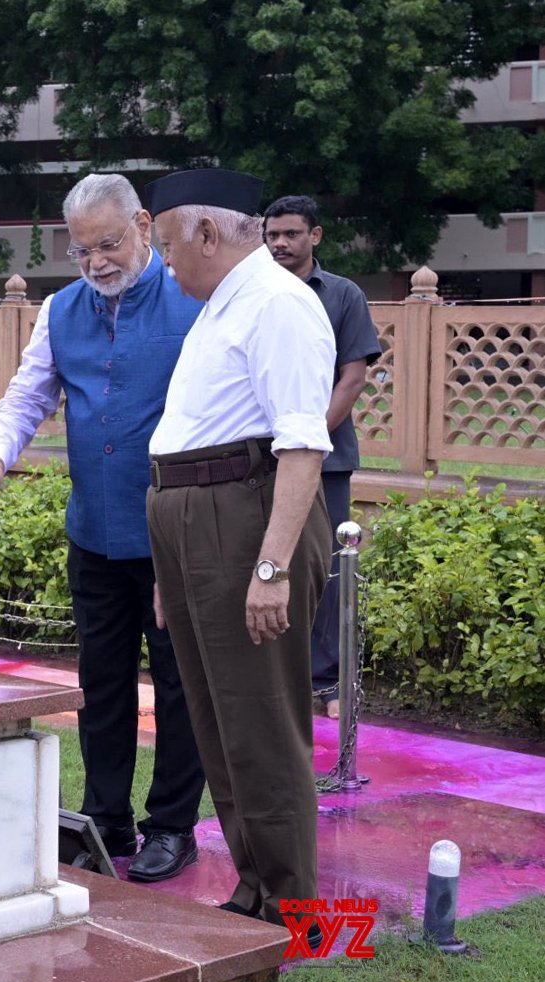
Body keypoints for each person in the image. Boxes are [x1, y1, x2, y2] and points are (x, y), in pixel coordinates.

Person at [0, 174, 207, 882]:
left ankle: (171, 825)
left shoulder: (193, 301)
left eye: (108, 243)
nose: (96, 261)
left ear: (142, 224)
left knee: (178, 683)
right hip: (93, 531)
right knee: (100, 683)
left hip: (170, 530)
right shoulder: (62, 310)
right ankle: (106, 818)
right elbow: (29, 391)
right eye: (79, 250)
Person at [143, 168, 334, 931]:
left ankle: (295, 914)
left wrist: (269, 566)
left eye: (165, 246)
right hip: (197, 523)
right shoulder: (224, 304)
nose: (163, 264)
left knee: (259, 721)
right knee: (218, 722)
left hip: (244, 520)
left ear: (207, 233)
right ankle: (256, 890)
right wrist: (172, 565)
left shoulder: (278, 305)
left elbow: (299, 444)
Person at [263, 196, 384, 719]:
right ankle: (274, 675)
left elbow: (352, 378)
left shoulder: (342, 295)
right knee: (269, 563)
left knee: (329, 568)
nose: (280, 244)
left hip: (324, 458)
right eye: (272, 235)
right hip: (258, 458)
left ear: (316, 236)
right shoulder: (253, 294)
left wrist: (307, 439)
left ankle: (331, 682)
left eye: (291, 234)